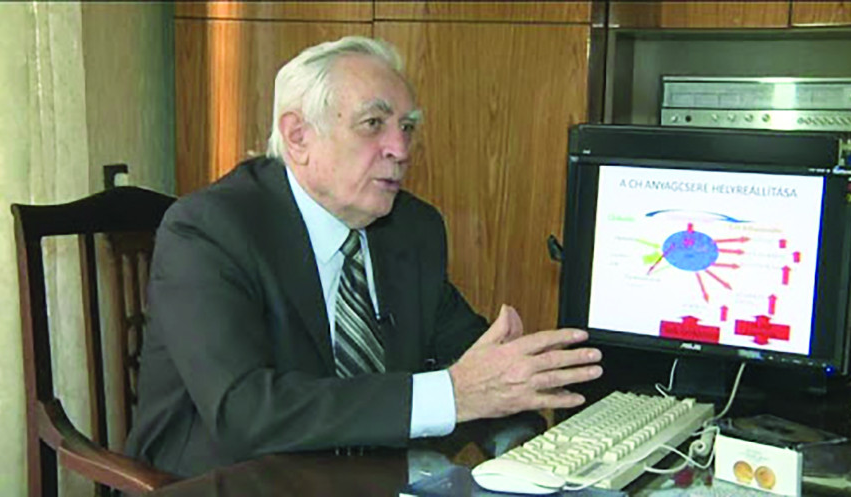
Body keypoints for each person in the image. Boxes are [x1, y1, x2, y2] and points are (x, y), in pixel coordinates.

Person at [125, 36, 603, 477]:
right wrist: (452, 395)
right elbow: (245, 412)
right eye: (374, 124)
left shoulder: (412, 227)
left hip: (370, 478)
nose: (400, 149)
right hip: (229, 480)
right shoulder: (210, 231)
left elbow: (479, 364)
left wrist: (524, 440)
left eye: (407, 127)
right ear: (298, 137)